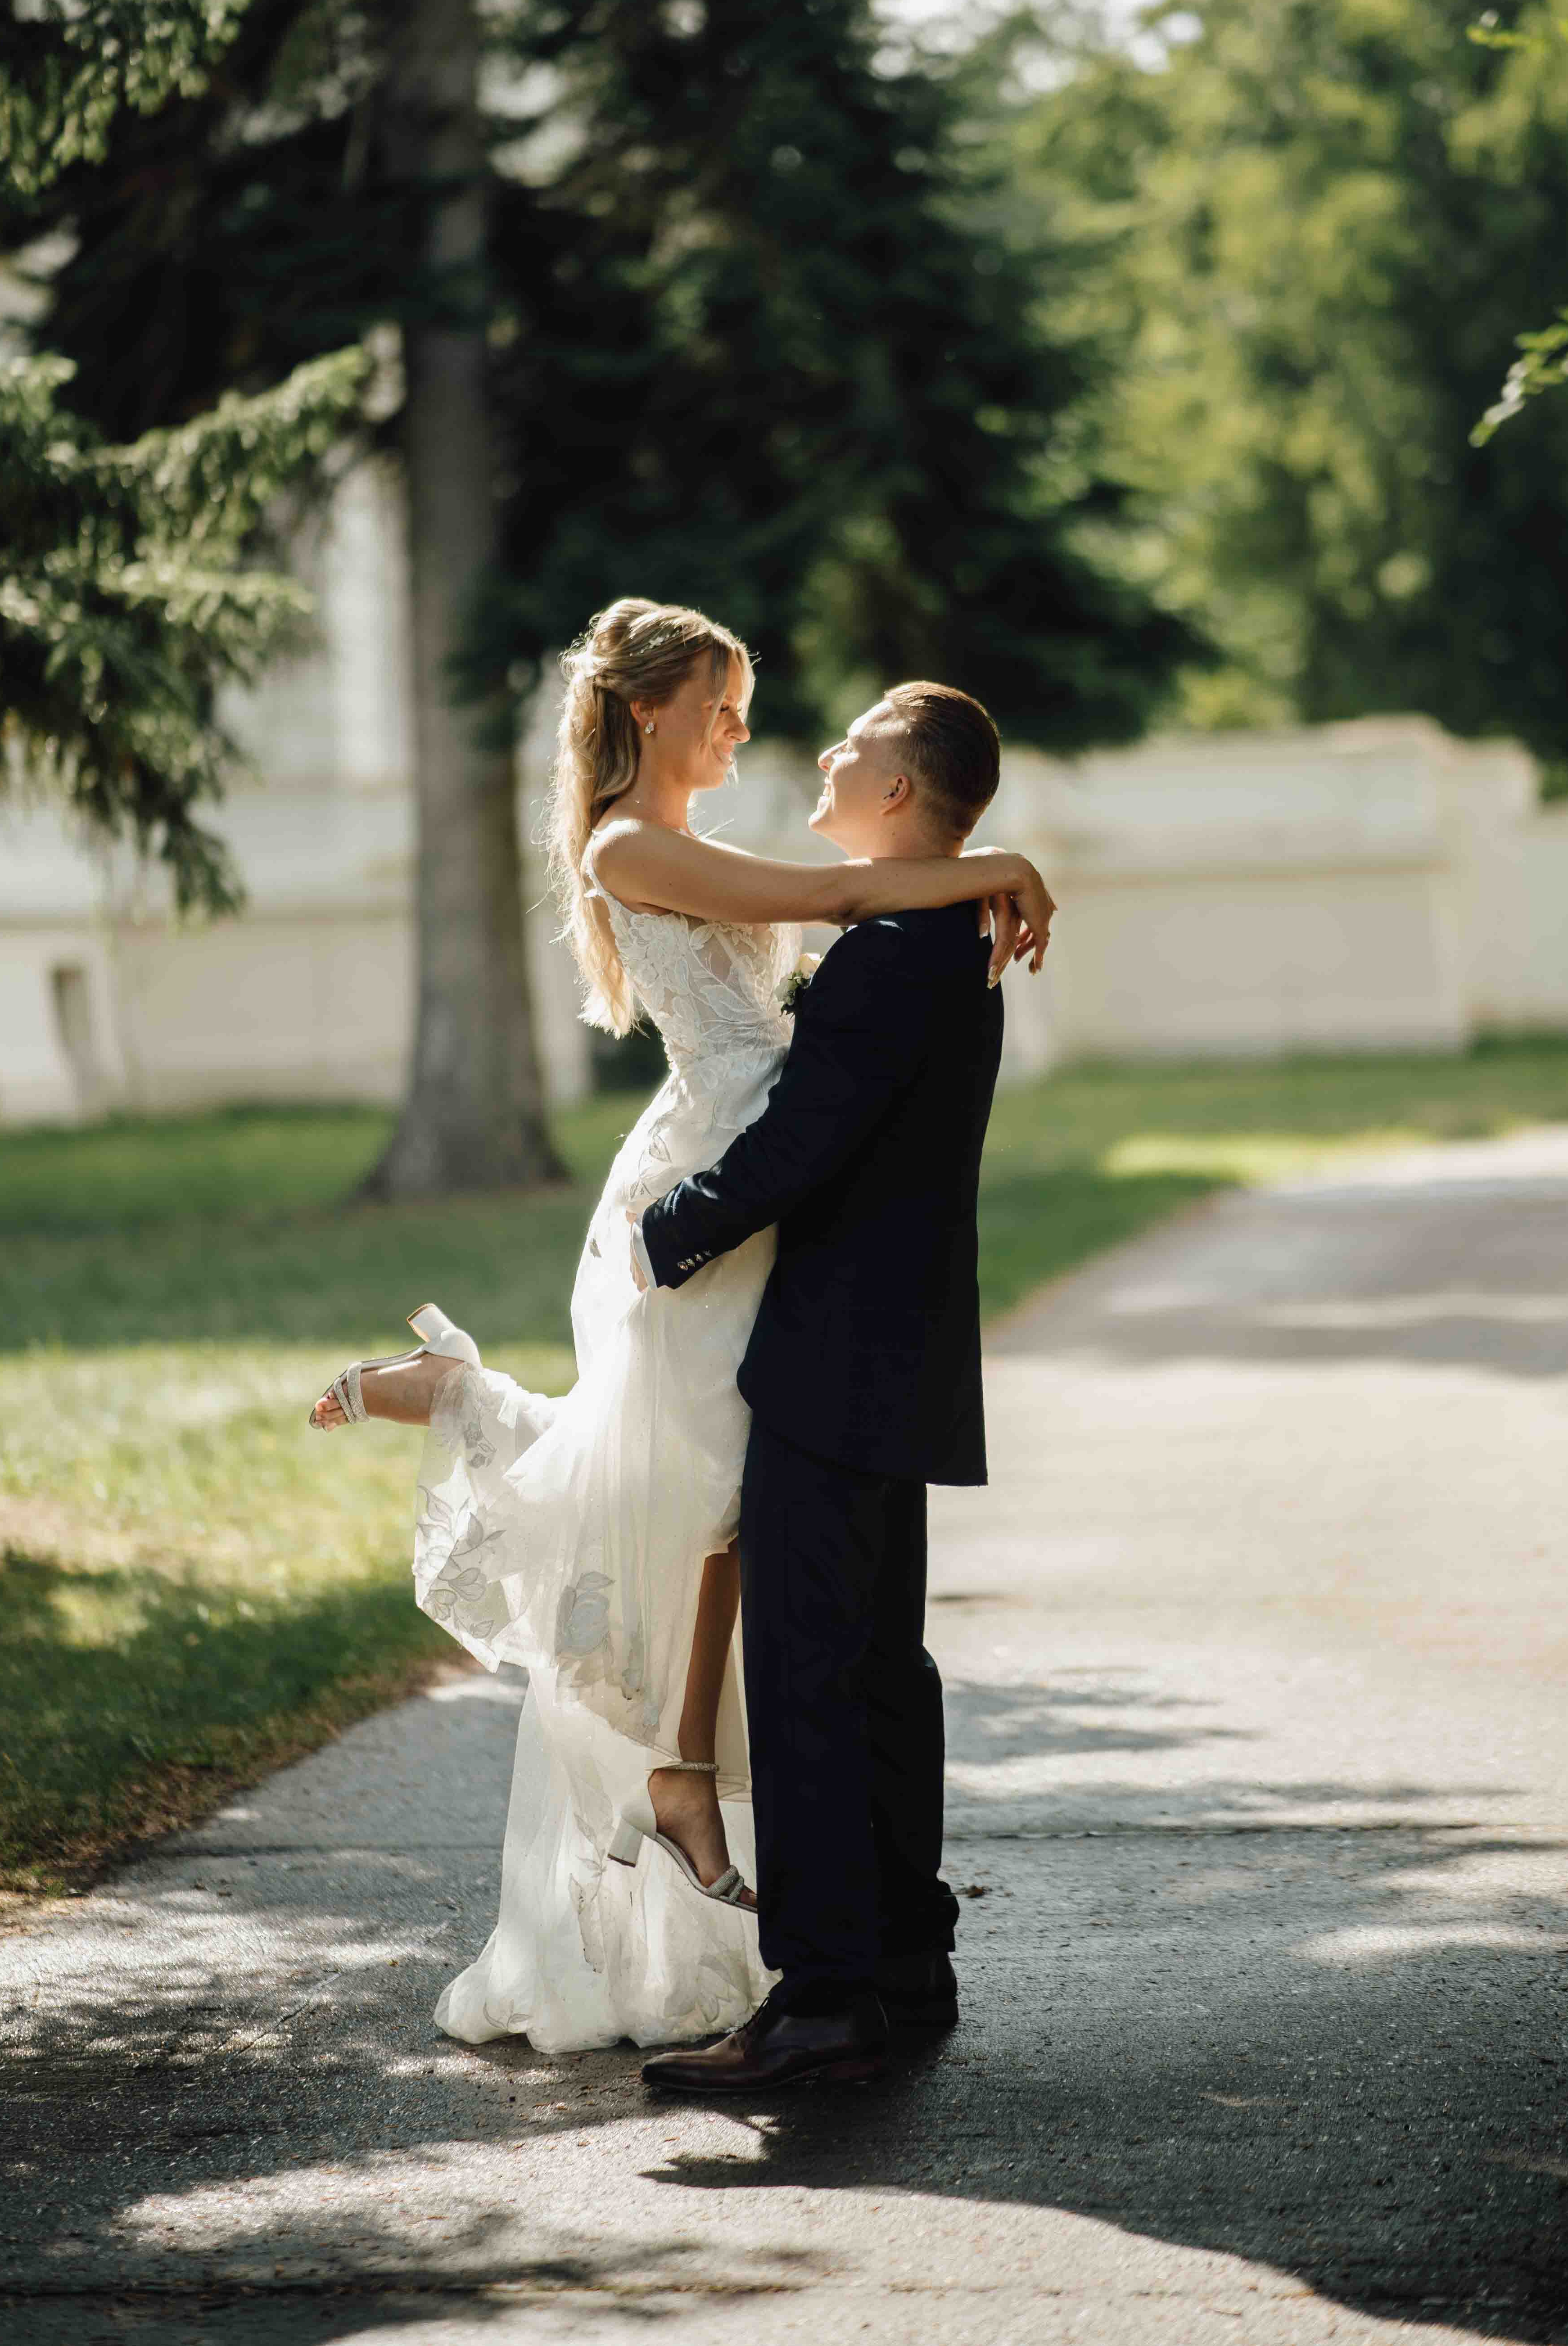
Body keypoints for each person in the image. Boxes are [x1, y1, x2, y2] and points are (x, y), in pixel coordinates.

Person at [307, 597, 1053, 2054]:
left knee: (729, 1518)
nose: (747, 730)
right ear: (646, 708)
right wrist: (998, 864)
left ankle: (695, 1790)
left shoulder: (785, 881)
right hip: (711, 1183)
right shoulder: (627, 846)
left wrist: (975, 874)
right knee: (695, 1498)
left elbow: (842, 927)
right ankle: (672, 1759)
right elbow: (836, 898)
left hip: (758, 1189)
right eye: (721, 703)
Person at [625, 671, 1014, 2092]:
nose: (828, 757)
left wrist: (671, 1228)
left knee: (808, 1673)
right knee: (876, 1666)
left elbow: (808, 1142)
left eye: (854, 748)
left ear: (896, 790)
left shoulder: (892, 952)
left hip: (835, 1354)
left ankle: (823, 1995)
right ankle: (903, 1958)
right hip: (894, 1350)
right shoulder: (943, 933)